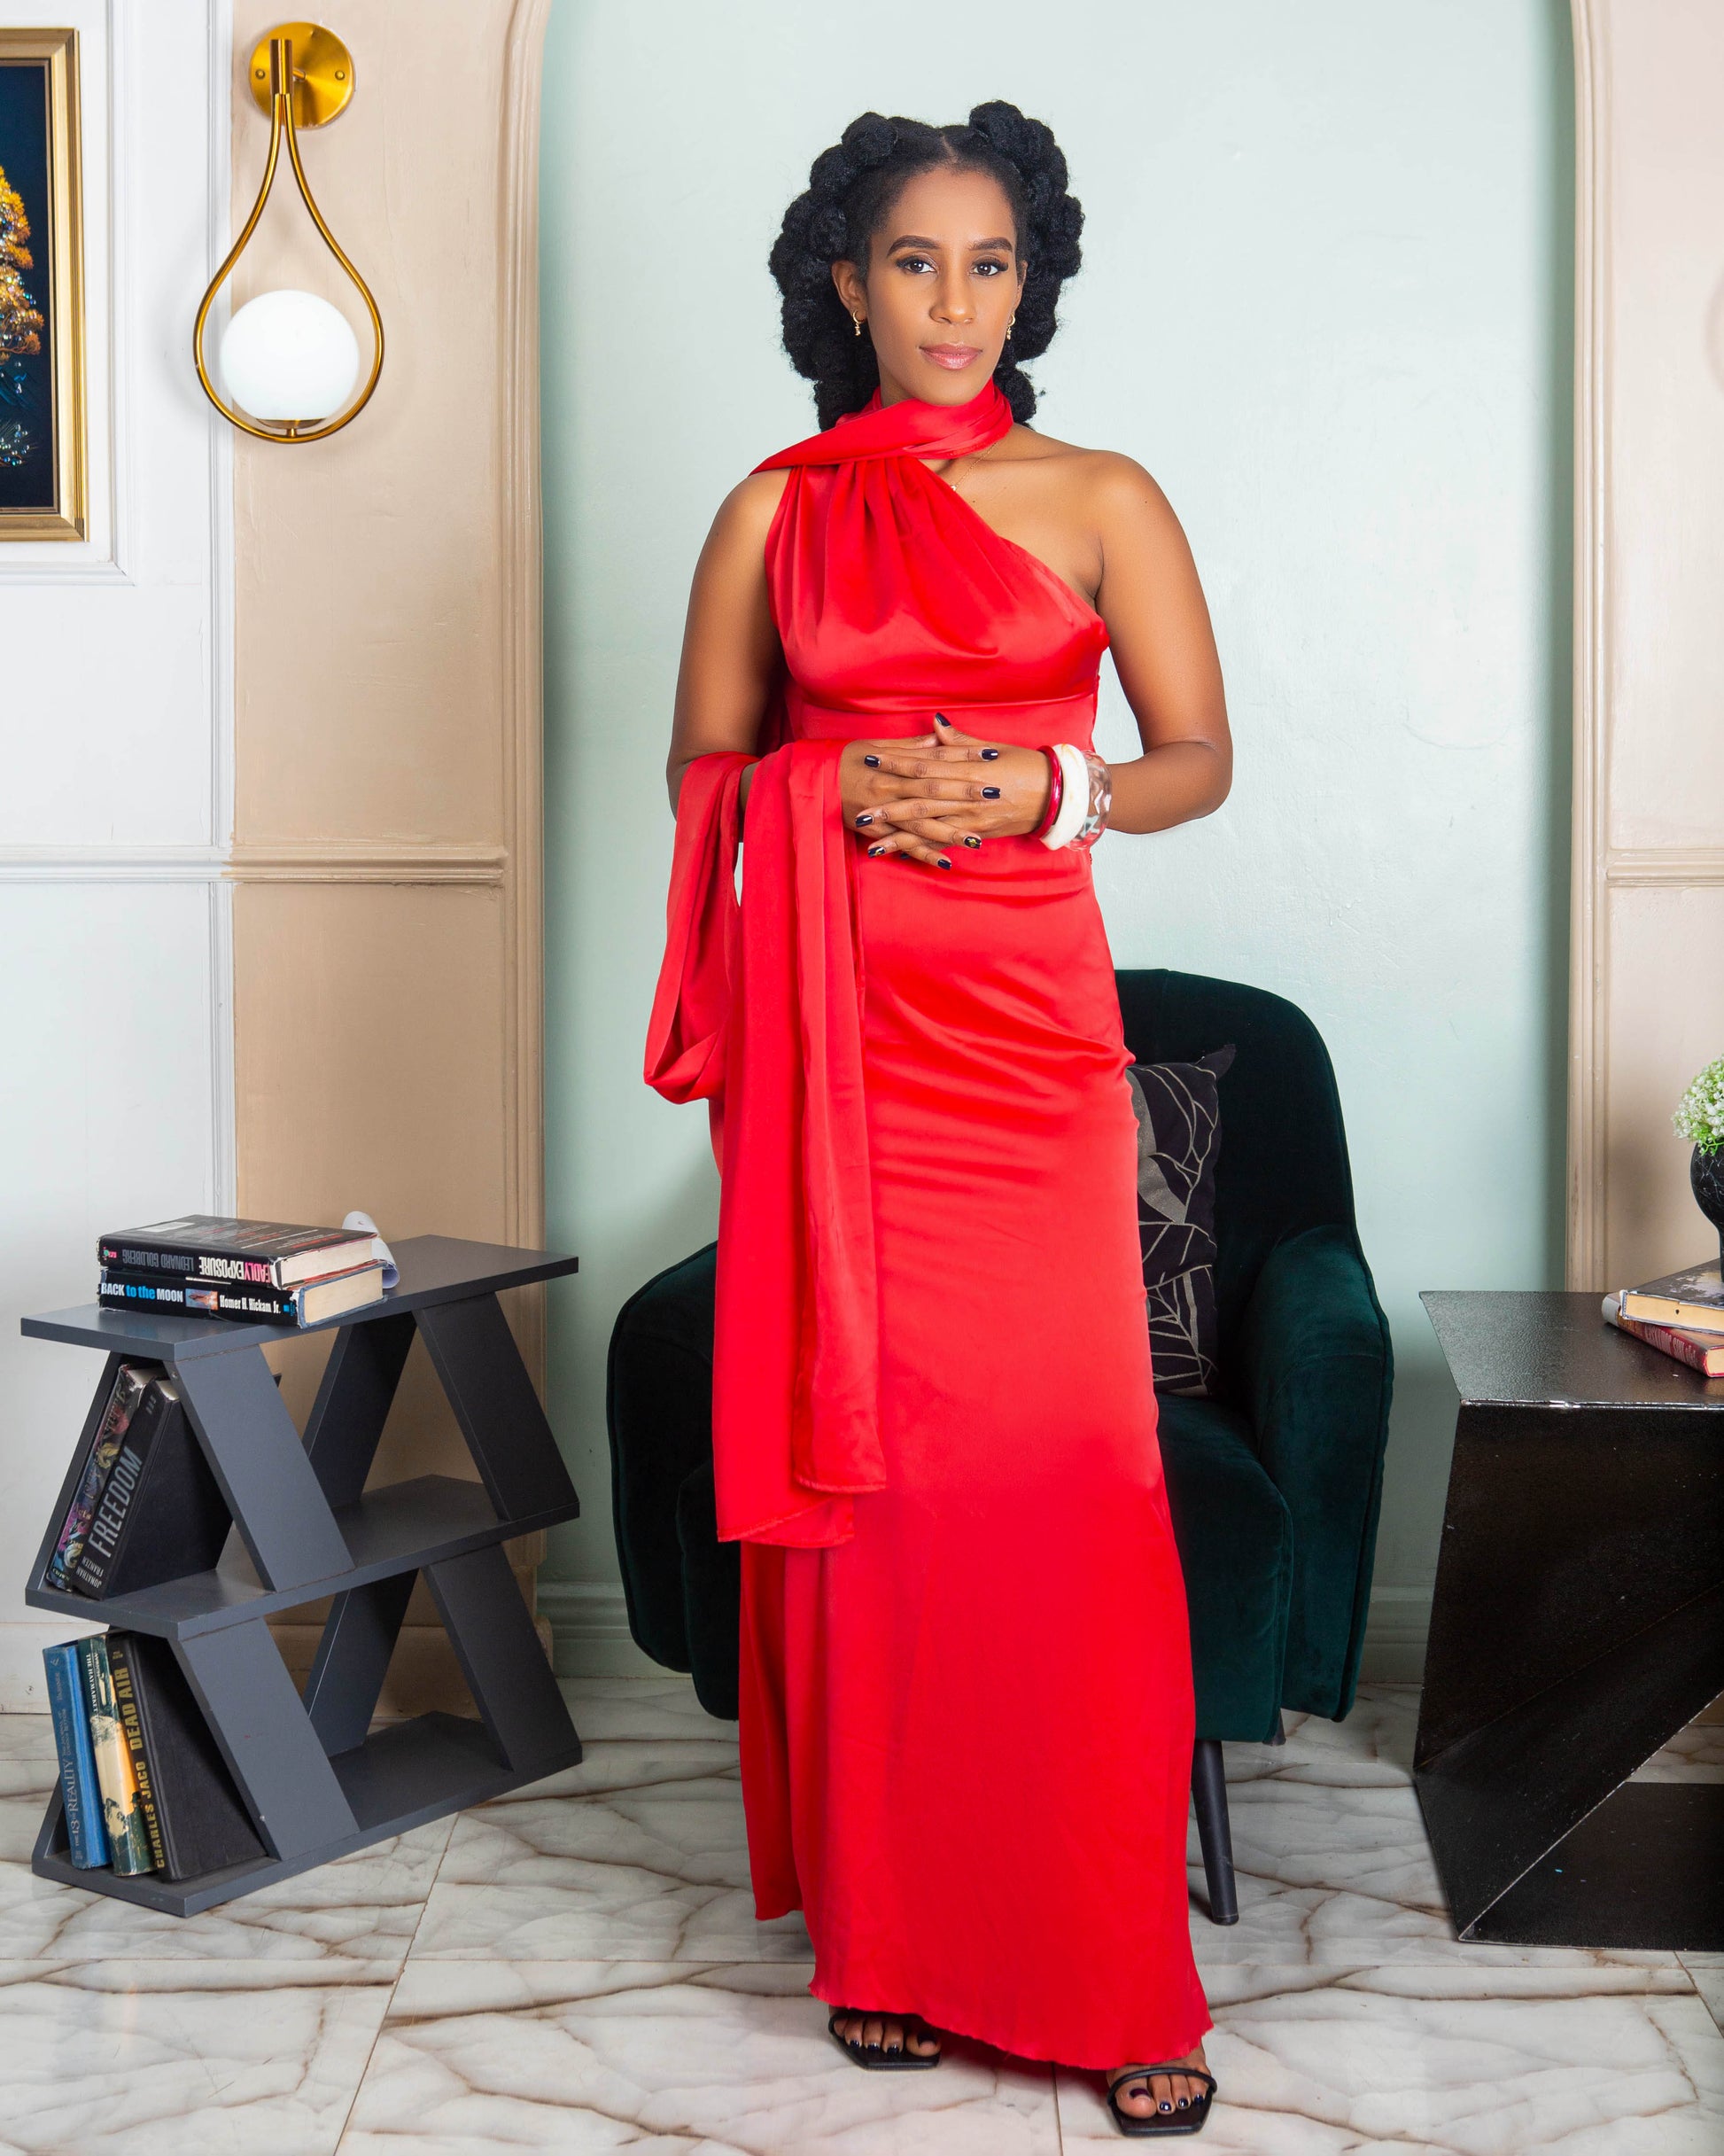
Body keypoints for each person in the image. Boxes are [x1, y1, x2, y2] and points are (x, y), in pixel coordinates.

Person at [645, 100, 1232, 2137]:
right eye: (915, 262)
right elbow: (703, 770)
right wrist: (822, 790)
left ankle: (1108, 1961)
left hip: (1029, 1051)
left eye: (991, 262)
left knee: (1077, 1489)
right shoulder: (772, 512)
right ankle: (888, 1940)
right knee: (877, 1496)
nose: (954, 300)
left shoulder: (1101, 495)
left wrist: (1031, 787)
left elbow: (1195, 756)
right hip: (844, 1068)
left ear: (1030, 281)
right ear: (847, 283)